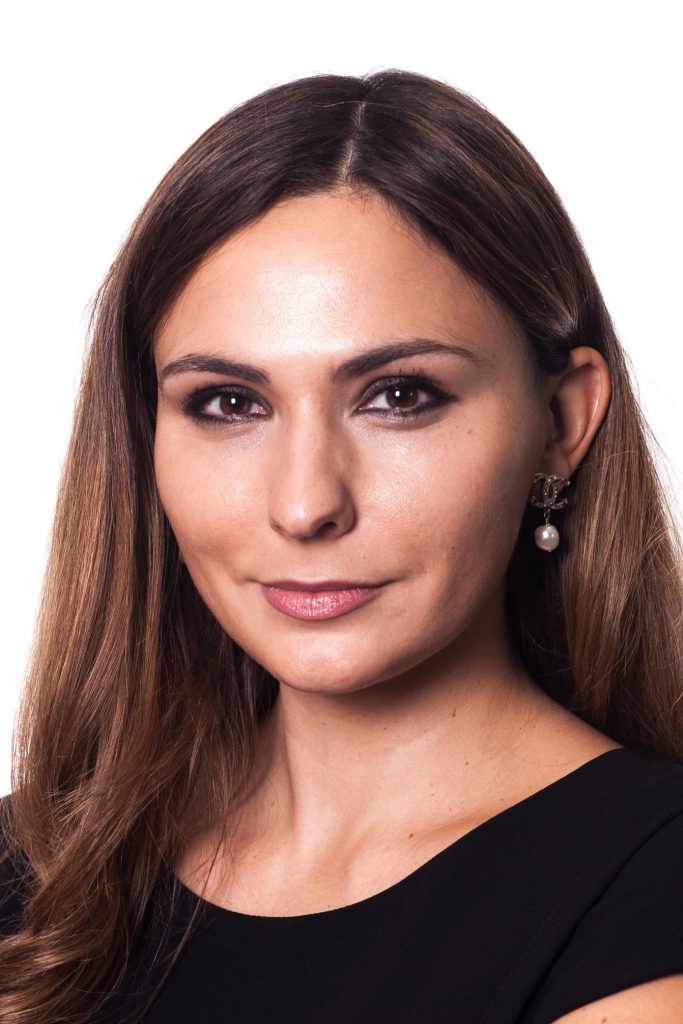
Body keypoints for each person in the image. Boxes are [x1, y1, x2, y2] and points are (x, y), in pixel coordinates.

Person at [1, 68, 683, 1024]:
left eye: (398, 397)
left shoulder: (649, 886)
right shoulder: (39, 870)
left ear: (561, 422)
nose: (305, 504)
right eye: (229, 404)